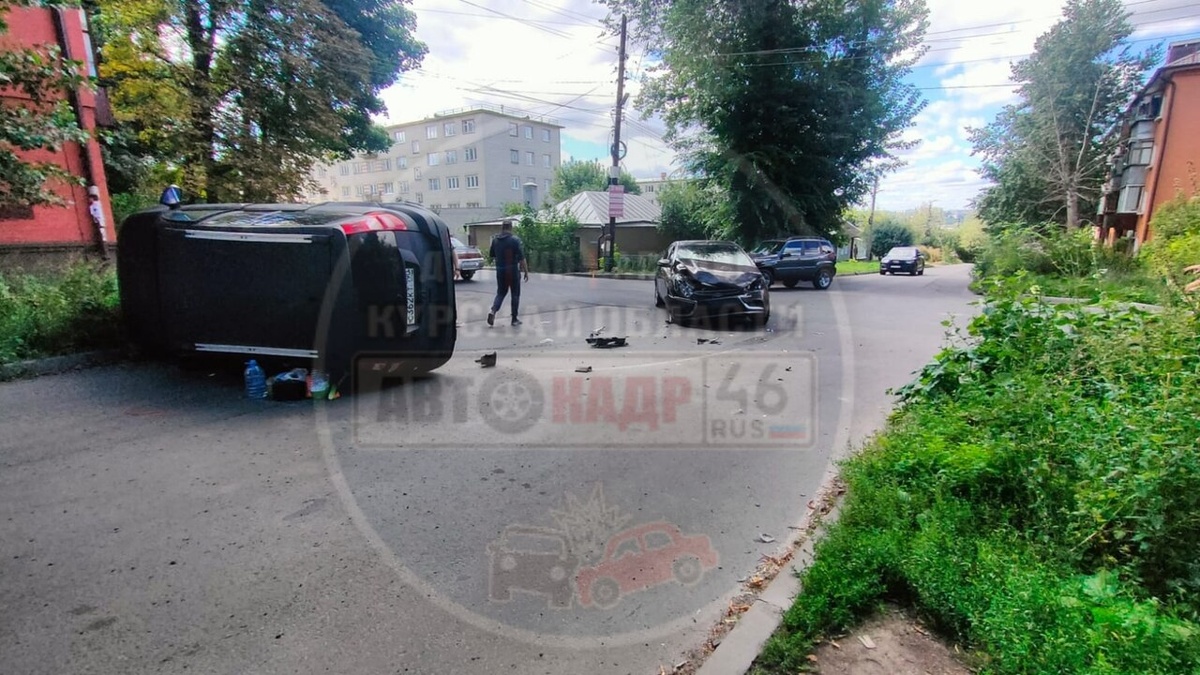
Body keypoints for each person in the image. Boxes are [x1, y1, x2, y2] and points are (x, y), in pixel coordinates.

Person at [487, 219, 529, 326]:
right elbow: (522, 258)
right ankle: (514, 319)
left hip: (500, 270)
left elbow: (492, 255)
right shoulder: (515, 240)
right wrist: (526, 272)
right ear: (511, 227)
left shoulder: (495, 240)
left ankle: (493, 311)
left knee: (501, 293)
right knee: (515, 294)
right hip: (512, 270)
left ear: (502, 227)